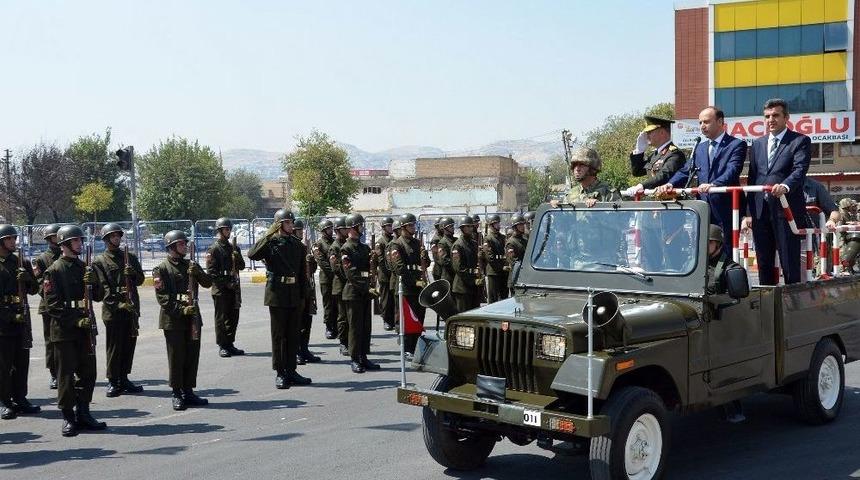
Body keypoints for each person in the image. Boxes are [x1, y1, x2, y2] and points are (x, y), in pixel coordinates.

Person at [656, 106, 747, 257]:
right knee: (703, 251)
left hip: (726, 209)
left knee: (726, 252)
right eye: (700, 123)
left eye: (706, 122)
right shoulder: (700, 148)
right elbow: (686, 170)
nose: (702, 126)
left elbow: (733, 170)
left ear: (720, 122)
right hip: (703, 209)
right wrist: (670, 184)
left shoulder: (736, 145)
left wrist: (714, 184)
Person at [44, 225, 106, 436]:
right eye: (76, 240)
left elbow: (98, 296)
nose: (80, 244)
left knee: (88, 373)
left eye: (80, 240)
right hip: (64, 331)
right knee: (66, 375)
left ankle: (84, 413)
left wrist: (94, 282)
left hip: (85, 329)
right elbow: (53, 306)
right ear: (65, 244)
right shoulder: (54, 271)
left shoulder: (85, 268)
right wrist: (76, 322)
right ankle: (68, 417)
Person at [742, 98, 811, 285]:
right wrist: (749, 212)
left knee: (789, 261)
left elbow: (799, 170)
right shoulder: (757, 144)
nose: (770, 120)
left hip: (785, 210)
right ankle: (766, 299)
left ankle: (792, 300)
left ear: (786, 117)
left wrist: (785, 186)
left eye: (775, 115)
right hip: (760, 211)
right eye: (767, 116)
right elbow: (753, 177)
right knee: (763, 261)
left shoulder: (799, 141)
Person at [247, 210, 312, 389]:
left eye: (292, 222)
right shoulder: (271, 243)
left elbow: (302, 273)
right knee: (279, 336)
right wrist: (269, 235)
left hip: (294, 293)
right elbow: (252, 254)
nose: (291, 225)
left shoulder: (298, 245)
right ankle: (280, 372)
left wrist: (304, 296)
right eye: (287, 222)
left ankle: (292, 370)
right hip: (277, 294)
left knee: (293, 334)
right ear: (279, 224)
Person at [153, 230, 212, 410]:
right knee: (176, 358)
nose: (185, 246)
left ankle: (188, 391)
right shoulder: (161, 269)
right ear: (171, 246)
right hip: (174, 320)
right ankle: (177, 393)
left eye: (185, 243)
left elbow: (208, 283)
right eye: (181, 244)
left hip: (192, 317)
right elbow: (163, 298)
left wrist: (198, 272)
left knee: (192, 356)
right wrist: (181, 309)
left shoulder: (190, 265)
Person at [92, 223, 145, 398]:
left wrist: (133, 274)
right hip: (113, 310)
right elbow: (103, 289)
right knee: (114, 347)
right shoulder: (100, 261)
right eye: (113, 236)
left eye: (118, 235)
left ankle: (124, 378)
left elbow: (140, 280)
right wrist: (119, 305)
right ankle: (113, 380)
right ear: (106, 239)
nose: (116, 238)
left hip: (131, 307)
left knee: (129, 345)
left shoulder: (130, 257)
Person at [0, 224, 39, 420]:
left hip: (21, 317)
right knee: (4, 364)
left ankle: (20, 398)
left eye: (14, 238)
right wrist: (9, 317)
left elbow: (34, 289)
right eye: (8, 239)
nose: (13, 242)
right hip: (3, 322)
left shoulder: (21, 261)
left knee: (22, 361)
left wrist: (28, 279)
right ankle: (5, 402)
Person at [340, 214, 381, 373]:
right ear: (353, 227)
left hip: (364, 292)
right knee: (355, 328)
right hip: (353, 292)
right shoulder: (346, 248)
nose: (362, 228)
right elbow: (351, 273)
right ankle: (355, 358)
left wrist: (375, 259)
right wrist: (366, 288)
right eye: (360, 225)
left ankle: (363, 356)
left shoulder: (364, 248)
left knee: (365, 327)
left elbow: (369, 270)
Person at [205, 217, 245, 358]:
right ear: (220, 230)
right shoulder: (214, 249)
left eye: (229, 229)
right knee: (221, 318)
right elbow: (212, 272)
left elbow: (242, 266)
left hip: (234, 287)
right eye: (226, 229)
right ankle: (222, 345)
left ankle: (230, 343)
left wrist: (237, 256)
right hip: (221, 288)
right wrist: (226, 283)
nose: (228, 231)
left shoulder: (234, 248)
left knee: (233, 317)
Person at [390, 213, 428, 358]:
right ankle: (407, 348)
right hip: (406, 288)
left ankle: (417, 346)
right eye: (410, 225)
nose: (413, 227)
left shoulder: (417, 243)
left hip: (419, 286)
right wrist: (414, 282)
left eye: (414, 224)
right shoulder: (397, 244)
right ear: (403, 227)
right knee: (407, 319)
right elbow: (399, 268)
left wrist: (424, 256)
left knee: (419, 318)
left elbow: (426, 264)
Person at [33, 223, 62, 389]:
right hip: (49, 306)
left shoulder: (68, 255)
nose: (58, 238)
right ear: (49, 239)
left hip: (67, 305)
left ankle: (67, 370)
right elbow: (39, 284)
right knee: (51, 341)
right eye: (55, 236)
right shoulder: (42, 259)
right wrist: (51, 296)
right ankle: (54, 373)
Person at [627, 115, 687, 195]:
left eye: (649, 132)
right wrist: (639, 151)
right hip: (656, 199)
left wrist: (642, 186)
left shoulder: (675, 154)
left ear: (662, 132)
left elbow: (663, 175)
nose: (646, 135)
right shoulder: (655, 155)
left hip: (671, 200)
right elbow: (637, 172)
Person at [551, 147, 620, 207]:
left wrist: (599, 206)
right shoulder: (571, 194)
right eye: (575, 165)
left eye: (581, 165)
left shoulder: (608, 192)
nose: (577, 169)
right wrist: (557, 207)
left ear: (592, 168)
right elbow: (566, 217)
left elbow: (619, 216)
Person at [293, 220, 320, 364]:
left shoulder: (304, 248)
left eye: (301, 230)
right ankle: (297, 351)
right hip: (297, 290)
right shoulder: (292, 248)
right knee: (297, 323)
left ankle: (304, 349)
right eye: (299, 230)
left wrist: (310, 260)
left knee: (307, 322)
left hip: (307, 289)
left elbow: (312, 270)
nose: (301, 233)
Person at [451, 215, 482, 313]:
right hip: (462, 287)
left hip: (474, 286)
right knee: (464, 316)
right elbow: (459, 268)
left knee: (475, 316)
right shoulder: (458, 245)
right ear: (462, 228)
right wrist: (473, 280)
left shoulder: (473, 243)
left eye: (471, 226)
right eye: (467, 226)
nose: (470, 228)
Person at [328, 216, 350, 356]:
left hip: (350, 285)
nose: (347, 231)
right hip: (341, 286)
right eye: (344, 229)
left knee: (351, 317)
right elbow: (336, 268)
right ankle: (343, 343)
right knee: (343, 317)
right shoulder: (335, 247)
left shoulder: (348, 244)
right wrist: (350, 278)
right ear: (338, 230)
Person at [313, 219, 337, 339]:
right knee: (328, 303)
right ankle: (329, 326)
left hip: (337, 277)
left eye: (331, 228)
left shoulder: (335, 242)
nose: (331, 230)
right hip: (327, 278)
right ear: (323, 230)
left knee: (337, 302)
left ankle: (337, 325)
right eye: (328, 229)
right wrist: (334, 272)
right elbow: (322, 262)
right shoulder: (318, 244)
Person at [705, 224, 742, 295]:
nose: (705, 245)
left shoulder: (729, 267)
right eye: (702, 241)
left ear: (718, 244)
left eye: (709, 242)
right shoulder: (691, 264)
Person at [374, 217, 396, 331]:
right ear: (383, 227)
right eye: (389, 226)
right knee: (386, 299)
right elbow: (381, 261)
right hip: (385, 275)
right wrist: (391, 271)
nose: (391, 227)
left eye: (392, 225)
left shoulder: (394, 240)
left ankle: (394, 319)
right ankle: (387, 319)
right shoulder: (380, 242)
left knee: (394, 299)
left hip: (394, 274)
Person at [482, 214, 508, 303]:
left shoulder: (503, 237)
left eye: (498, 223)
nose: (499, 225)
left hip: (503, 271)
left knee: (504, 297)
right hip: (493, 272)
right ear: (491, 225)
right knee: (493, 297)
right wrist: (501, 267)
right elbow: (490, 257)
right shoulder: (488, 239)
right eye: (496, 223)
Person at [505, 214, 528, 295]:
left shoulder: (525, 240)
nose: (523, 227)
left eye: (523, 224)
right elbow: (513, 261)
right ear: (515, 227)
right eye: (520, 225)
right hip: (516, 277)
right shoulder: (511, 242)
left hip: (525, 277)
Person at [838, 198, 860, 272]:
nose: (852, 207)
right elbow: (839, 227)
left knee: (850, 252)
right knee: (843, 253)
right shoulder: (841, 214)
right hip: (841, 237)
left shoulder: (846, 213)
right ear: (847, 206)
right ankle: (842, 270)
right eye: (851, 205)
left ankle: (849, 269)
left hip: (845, 235)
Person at [436, 217, 456, 285]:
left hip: (457, 276)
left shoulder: (456, 240)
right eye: (450, 226)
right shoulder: (442, 243)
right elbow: (444, 261)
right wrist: (457, 267)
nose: (453, 228)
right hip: (449, 277)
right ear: (444, 228)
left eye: (453, 226)